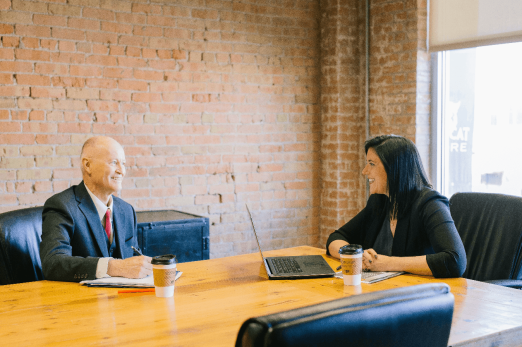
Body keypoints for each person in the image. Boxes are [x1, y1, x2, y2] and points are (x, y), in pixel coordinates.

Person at [326, 135, 466, 278]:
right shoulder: (379, 201)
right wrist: (356, 257)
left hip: (421, 293)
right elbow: (337, 237)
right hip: (387, 290)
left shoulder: (430, 203)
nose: (365, 171)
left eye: (372, 164)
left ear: (394, 168)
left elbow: (455, 261)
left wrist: (386, 263)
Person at [40, 136, 152, 282]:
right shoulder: (61, 205)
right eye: (114, 162)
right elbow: (53, 264)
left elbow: (134, 260)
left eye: (123, 163)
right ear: (87, 165)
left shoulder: (126, 210)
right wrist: (113, 267)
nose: (122, 171)